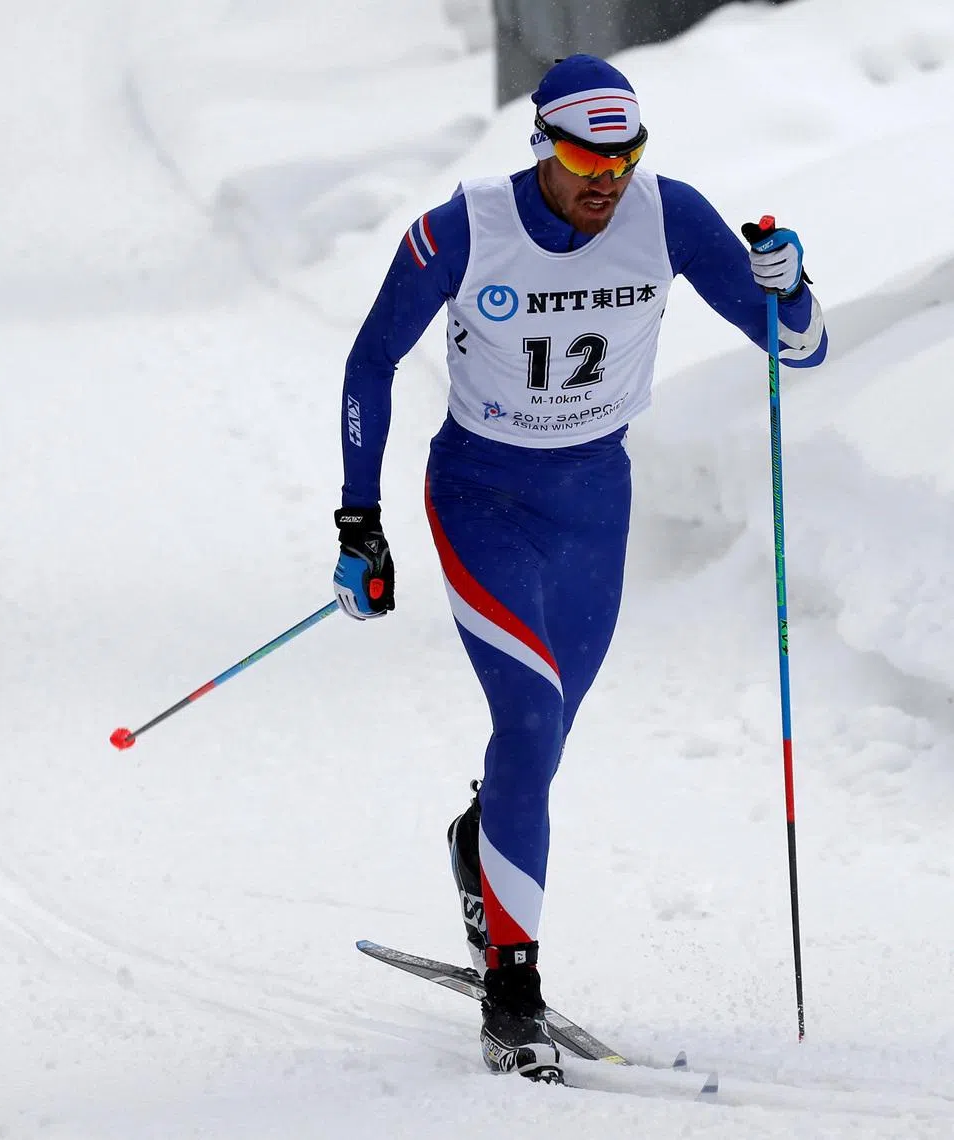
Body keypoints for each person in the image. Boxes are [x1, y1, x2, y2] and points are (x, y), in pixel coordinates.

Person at [332, 54, 827, 1083]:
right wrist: (359, 524)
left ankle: (482, 842)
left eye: (625, 156)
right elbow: (371, 359)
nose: (605, 178)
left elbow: (800, 348)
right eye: (582, 156)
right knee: (526, 716)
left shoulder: (669, 215)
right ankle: (512, 994)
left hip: (596, 504)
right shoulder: (465, 228)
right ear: (542, 146)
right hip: (480, 499)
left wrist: (794, 288)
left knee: (545, 739)